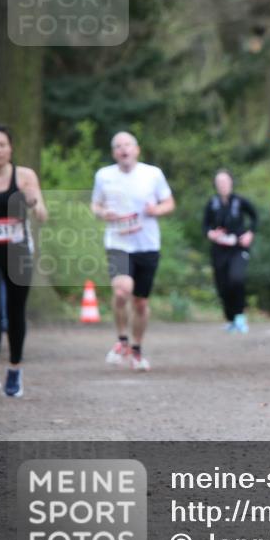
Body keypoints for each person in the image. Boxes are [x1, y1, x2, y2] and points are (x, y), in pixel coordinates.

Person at [91, 131, 175, 372]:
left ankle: (136, 349)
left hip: (147, 244)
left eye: (127, 144)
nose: (123, 149)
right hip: (117, 243)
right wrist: (102, 212)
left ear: (136, 149)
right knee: (122, 290)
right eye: (118, 146)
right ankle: (121, 340)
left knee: (140, 302)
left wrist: (156, 210)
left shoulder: (152, 174)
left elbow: (169, 203)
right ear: (113, 152)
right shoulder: (104, 176)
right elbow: (95, 204)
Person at [0, 123, 48, 397]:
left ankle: (15, 370)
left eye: (1, 145)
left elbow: (42, 214)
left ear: (10, 148)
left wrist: (33, 203)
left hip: (19, 255)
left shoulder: (24, 176)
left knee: (17, 313)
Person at [204, 169, 258, 334]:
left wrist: (250, 233)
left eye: (225, 182)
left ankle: (240, 316)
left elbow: (255, 217)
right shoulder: (212, 203)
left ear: (231, 183)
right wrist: (211, 233)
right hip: (219, 249)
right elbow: (205, 225)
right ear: (216, 185)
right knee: (222, 284)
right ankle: (230, 318)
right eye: (219, 183)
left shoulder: (240, 201)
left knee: (236, 279)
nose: (223, 186)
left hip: (237, 248)